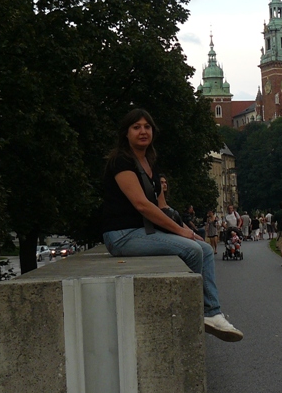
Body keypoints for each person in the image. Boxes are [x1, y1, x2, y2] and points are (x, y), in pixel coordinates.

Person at [100, 109, 242, 342]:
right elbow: (142, 205)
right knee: (192, 250)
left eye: (147, 127)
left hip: (143, 232)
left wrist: (187, 229)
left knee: (205, 249)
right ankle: (192, 311)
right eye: (136, 127)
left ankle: (212, 312)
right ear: (126, 133)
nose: (143, 131)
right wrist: (180, 232)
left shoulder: (149, 163)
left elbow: (162, 206)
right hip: (122, 235)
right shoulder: (121, 162)